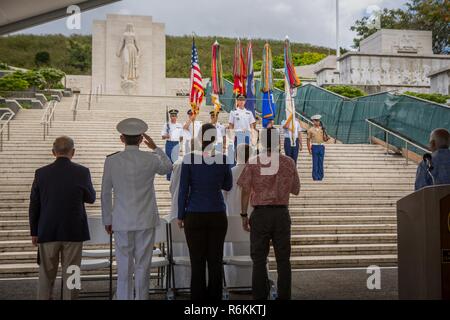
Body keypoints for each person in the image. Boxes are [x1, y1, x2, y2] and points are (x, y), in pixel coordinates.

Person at [101, 118, 172, 300]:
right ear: (142, 139)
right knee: (143, 265)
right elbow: (169, 167)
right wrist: (156, 148)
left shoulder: (112, 161)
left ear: (122, 139)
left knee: (124, 265)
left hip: (122, 220)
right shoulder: (150, 159)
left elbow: (105, 193)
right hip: (145, 219)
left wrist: (107, 220)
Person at [29, 136, 95, 300]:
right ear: (73, 152)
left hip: (47, 230)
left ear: (53, 152)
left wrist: (34, 231)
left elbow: (34, 205)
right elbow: (91, 198)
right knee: (72, 273)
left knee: (45, 274)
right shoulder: (82, 171)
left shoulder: (41, 173)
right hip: (73, 231)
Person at [237, 128, 300, 300]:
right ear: (279, 142)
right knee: (283, 260)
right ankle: (284, 296)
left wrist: (244, 215)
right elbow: (296, 190)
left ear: (262, 142)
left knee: (258, 260)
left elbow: (245, 190)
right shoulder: (289, 162)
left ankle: (259, 299)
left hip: (261, 215)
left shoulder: (253, 162)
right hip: (281, 215)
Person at [178, 123, 233, 300]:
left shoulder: (188, 159)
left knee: (197, 262)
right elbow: (228, 185)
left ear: (200, 138)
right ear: (215, 138)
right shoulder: (223, 159)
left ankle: (198, 301)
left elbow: (183, 190)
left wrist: (180, 215)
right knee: (215, 261)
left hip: (194, 213)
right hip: (217, 213)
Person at [222, 144, 253, 288]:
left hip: (232, 215)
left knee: (233, 249)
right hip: (251, 215)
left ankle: (233, 282)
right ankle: (252, 281)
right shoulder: (256, 172)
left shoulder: (230, 172)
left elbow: (223, 195)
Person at [228, 94, 256, 160]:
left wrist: (253, 135)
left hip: (247, 134)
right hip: (238, 134)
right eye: (240, 100)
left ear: (245, 101)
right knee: (238, 151)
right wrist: (232, 134)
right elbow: (231, 124)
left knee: (247, 151)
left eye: (243, 100)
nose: (241, 101)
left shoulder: (249, 112)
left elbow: (251, 125)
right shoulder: (233, 112)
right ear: (237, 101)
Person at [161, 108, 183, 180]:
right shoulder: (166, 125)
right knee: (169, 161)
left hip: (176, 143)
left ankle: (175, 177)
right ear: (170, 117)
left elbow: (181, 136)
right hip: (169, 143)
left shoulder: (179, 125)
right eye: (172, 116)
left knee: (175, 161)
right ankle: (169, 176)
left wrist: (181, 144)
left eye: (174, 116)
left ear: (177, 117)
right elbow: (162, 137)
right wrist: (166, 136)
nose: (173, 117)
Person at [307, 114, 326, 181]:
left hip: (321, 146)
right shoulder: (310, 130)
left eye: (318, 121)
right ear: (313, 121)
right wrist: (309, 149)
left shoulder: (322, 129)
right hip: (314, 146)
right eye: (316, 121)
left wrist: (325, 134)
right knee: (315, 162)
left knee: (321, 162)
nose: (318, 122)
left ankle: (320, 176)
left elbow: (324, 139)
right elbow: (308, 140)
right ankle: (315, 177)